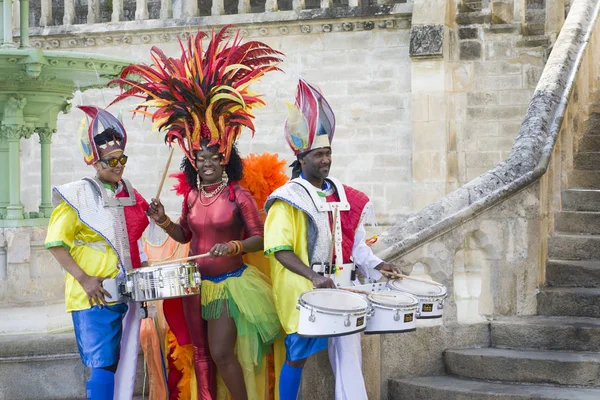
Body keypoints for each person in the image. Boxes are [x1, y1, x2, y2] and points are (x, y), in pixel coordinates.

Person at [114, 27, 284, 400]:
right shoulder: (192, 196)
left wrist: (236, 247)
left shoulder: (238, 194)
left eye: (212, 156)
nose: (206, 163)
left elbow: (262, 237)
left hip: (228, 286)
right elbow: (186, 237)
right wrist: (162, 221)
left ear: (225, 156)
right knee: (201, 354)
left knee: (223, 352)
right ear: (192, 161)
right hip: (194, 282)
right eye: (199, 157)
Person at [263, 79, 400, 400]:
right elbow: (278, 249)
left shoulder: (342, 194)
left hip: (342, 287)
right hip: (303, 291)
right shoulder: (286, 198)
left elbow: (355, 245)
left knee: (350, 354)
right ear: (302, 159)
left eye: (328, 153)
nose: (325, 160)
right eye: (318, 155)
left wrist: (380, 264)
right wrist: (313, 276)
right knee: (296, 354)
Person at [45, 106, 150, 400]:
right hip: (92, 293)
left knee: (114, 361)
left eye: (122, 159)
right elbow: (56, 243)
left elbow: (141, 228)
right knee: (101, 363)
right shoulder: (76, 194)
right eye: (111, 161)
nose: (118, 165)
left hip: (122, 289)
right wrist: (85, 279)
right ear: (95, 161)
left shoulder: (126, 190)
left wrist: (158, 216)